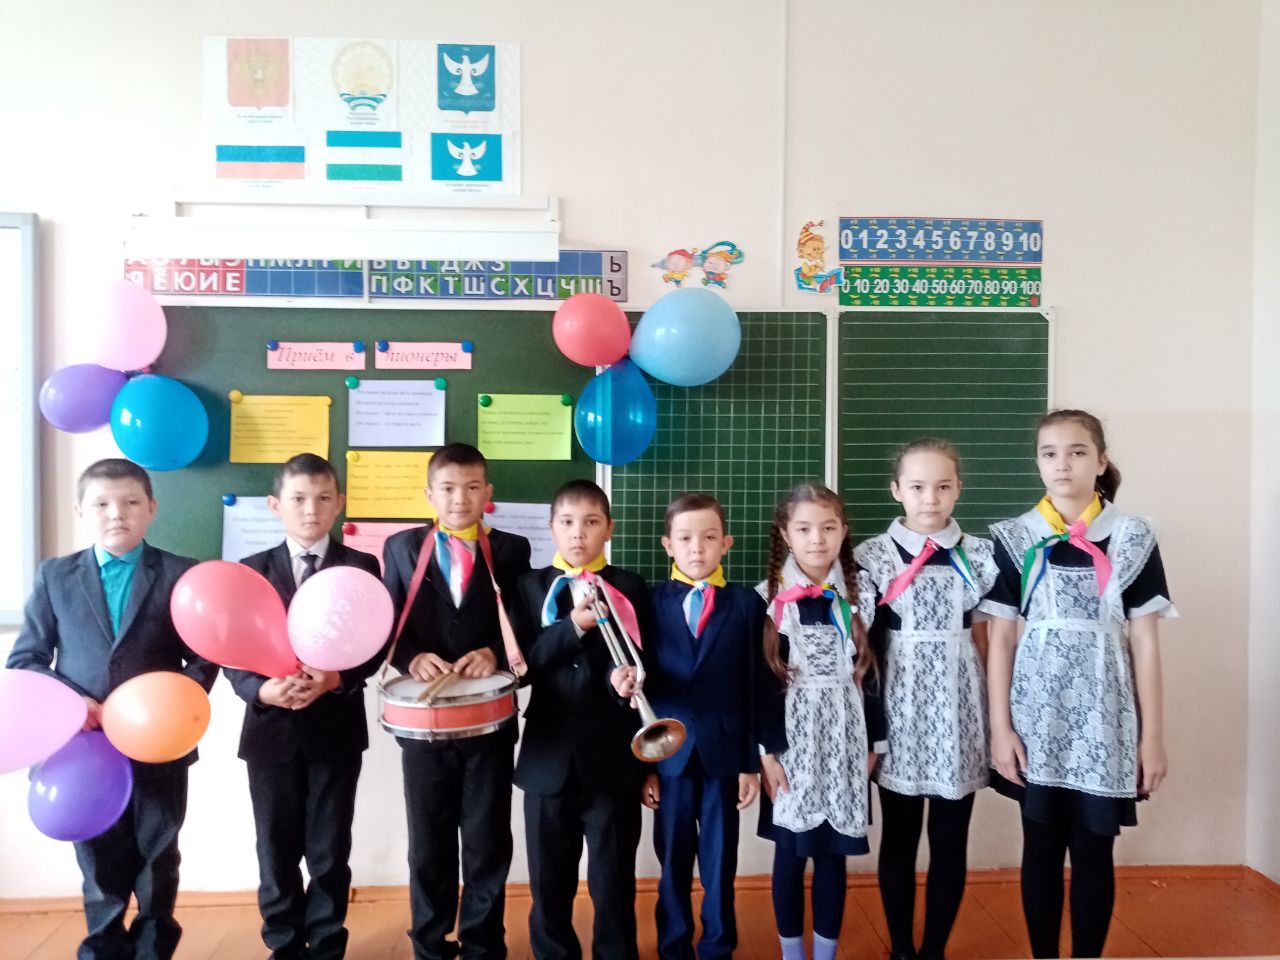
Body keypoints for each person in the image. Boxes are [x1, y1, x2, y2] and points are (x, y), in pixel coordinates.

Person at [7, 458, 217, 960]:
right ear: (80, 510)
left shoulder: (181, 574)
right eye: (101, 503)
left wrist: (172, 703)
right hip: (82, 745)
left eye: (129, 502)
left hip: (159, 742)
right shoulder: (56, 576)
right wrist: (70, 703)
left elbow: (204, 655)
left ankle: (153, 946)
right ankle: (102, 947)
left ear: (152, 508)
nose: (116, 513)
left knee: (158, 851)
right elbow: (26, 660)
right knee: (98, 857)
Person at [983, 409, 1175, 958]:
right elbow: (1001, 640)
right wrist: (1001, 729)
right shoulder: (1016, 537)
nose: (1062, 464)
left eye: (1076, 452)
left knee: (1094, 850)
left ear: (1101, 461)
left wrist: (1152, 737)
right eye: (1049, 453)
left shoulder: (1132, 537)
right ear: (1037, 462)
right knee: (1040, 846)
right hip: (1037, 716)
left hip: (1106, 718)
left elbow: (1146, 642)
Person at [224, 453, 382, 960]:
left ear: (339, 503)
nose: (310, 509)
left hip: (335, 729)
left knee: (330, 848)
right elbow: (231, 648)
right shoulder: (251, 571)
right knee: (275, 848)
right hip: (270, 731)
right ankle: (285, 945)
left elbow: (376, 642)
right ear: (276, 505)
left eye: (322, 498)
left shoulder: (361, 567)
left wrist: (338, 678)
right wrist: (260, 690)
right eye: (298, 499)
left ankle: (328, 944)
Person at [382, 443, 532, 960]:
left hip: (489, 723)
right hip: (423, 725)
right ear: (429, 494)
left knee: (488, 840)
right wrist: (412, 657)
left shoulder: (512, 550)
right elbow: (386, 622)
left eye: (471, 488)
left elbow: (522, 621)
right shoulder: (401, 548)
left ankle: (483, 944)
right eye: (447, 488)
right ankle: (429, 943)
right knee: (429, 842)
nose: (459, 499)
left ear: (487, 493)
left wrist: (495, 652)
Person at [855, 439, 999, 960]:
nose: (930, 498)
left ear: (959, 488)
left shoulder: (980, 556)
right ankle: (900, 948)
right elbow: (861, 645)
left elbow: (985, 640)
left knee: (950, 837)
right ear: (897, 490)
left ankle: (934, 948)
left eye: (942, 486)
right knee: (898, 835)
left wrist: (995, 717)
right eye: (917, 487)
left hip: (960, 708)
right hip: (899, 708)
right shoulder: (870, 557)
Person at [513, 479, 651, 960]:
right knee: (549, 884)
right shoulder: (529, 586)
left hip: (613, 760)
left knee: (613, 883)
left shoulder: (630, 586)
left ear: (608, 528)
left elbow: (644, 661)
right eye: (568, 522)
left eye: (591, 522)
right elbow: (523, 665)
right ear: (552, 527)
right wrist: (573, 626)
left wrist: (623, 683)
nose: (578, 533)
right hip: (546, 760)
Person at [755, 483, 883, 960]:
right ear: (786, 534)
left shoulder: (860, 594)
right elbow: (761, 685)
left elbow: (874, 673)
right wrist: (768, 754)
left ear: (843, 532)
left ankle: (826, 955)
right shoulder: (767, 600)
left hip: (847, 742)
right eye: (804, 528)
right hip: (791, 746)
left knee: (834, 856)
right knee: (790, 855)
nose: (817, 539)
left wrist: (875, 744)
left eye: (828, 528)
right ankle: (792, 954)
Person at [639, 492, 766, 960]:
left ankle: (717, 946)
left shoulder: (747, 604)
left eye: (709, 537)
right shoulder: (649, 602)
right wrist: (645, 768)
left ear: (726, 543)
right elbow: (641, 689)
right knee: (672, 858)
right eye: (686, 538)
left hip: (724, 754)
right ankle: (673, 946)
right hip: (668, 755)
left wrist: (751, 763)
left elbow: (755, 685)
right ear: (667, 544)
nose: (697, 548)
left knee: (719, 860)